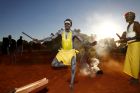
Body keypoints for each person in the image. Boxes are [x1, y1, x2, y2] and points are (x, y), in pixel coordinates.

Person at [34, 19, 83, 88]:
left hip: (71, 52)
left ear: (70, 25)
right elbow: (51, 38)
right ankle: (65, 65)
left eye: (68, 24)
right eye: (65, 23)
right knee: (53, 64)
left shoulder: (74, 33)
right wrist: (40, 40)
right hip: (62, 52)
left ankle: (71, 83)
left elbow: (82, 40)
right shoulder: (60, 31)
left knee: (73, 68)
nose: (66, 25)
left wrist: (90, 44)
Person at [122, 11, 140, 84]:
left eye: (126, 16)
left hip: (136, 45)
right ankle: (133, 76)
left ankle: (136, 79)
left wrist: (128, 39)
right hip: (130, 45)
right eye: (125, 16)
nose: (125, 17)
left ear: (131, 16)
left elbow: (139, 36)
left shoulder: (136, 24)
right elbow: (129, 37)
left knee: (135, 62)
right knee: (131, 62)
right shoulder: (128, 26)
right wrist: (122, 39)